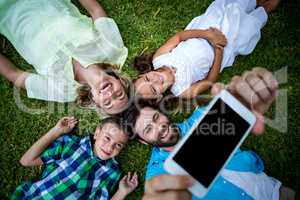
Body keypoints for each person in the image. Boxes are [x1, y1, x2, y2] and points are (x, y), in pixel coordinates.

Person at [124, 68, 296, 199]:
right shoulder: (157, 171)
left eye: (156, 117)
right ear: (144, 141)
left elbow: (236, 101)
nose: (159, 127)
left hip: (271, 190)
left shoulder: (199, 119)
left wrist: (242, 97)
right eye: (148, 129)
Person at [0, 0, 131, 114]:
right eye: (119, 94)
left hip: (6, 12)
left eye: (107, 103)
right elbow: (95, 10)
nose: (111, 94)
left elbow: (15, 75)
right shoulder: (113, 50)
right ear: (121, 82)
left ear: (95, 102)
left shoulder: (64, 92)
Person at [133, 0, 280, 100]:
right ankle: (265, 8)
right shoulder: (182, 91)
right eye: (153, 89)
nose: (155, 81)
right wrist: (219, 49)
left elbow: (178, 37)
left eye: (147, 79)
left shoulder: (159, 59)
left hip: (207, 28)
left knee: (235, 3)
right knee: (248, 26)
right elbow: (210, 81)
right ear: (159, 97)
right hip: (223, 47)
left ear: (144, 74)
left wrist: (207, 34)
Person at [12, 116, 139, 199]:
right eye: (107, 138)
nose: (110, 147)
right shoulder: (71, 144)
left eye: (118, 145)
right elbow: (27, 160)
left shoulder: (111, 173)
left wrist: (121, 192)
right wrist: (56, 131)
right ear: (97, 133)